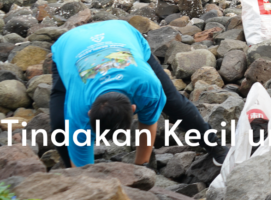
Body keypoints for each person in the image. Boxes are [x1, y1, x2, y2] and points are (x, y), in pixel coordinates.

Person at [49, 21, 227, 168]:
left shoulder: (147, 86)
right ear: (89, 113)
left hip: (121, 33)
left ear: (134, 107)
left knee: (174, 103)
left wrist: (141, 168)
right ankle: (68, 177)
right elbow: (82, 171)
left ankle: (215, 146)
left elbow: (148, 124)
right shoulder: (78, 108)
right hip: (69, 46)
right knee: (59, 125)